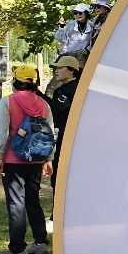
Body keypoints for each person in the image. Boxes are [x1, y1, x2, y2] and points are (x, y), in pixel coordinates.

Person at [0, 64, 56, 254]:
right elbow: (50, 132)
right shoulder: (44, 104)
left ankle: (17, 249)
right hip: (36, 157)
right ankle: (40, 243)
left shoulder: (7, 102)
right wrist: (49, 159)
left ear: (15, 81)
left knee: (16, 203)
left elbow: (2, 132)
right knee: (32, 199)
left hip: (14, 159)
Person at [45, 54, 82, 206]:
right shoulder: (67, 88)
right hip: (64, 137)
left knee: (60, 177)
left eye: (60, 68)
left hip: (65, 139)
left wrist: (38, 94)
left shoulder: (71, 89)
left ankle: (58, 213)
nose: (56, 71)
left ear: (71, 70)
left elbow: (55, 109)